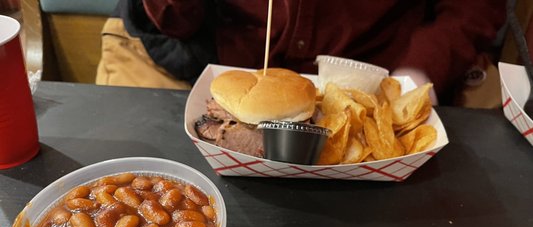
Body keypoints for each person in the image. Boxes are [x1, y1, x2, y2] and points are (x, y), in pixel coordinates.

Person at [96, 0, 507, 105]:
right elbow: (174, 21)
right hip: (209, 63)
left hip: (384, 72)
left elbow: (473, 8)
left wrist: (423, 70)